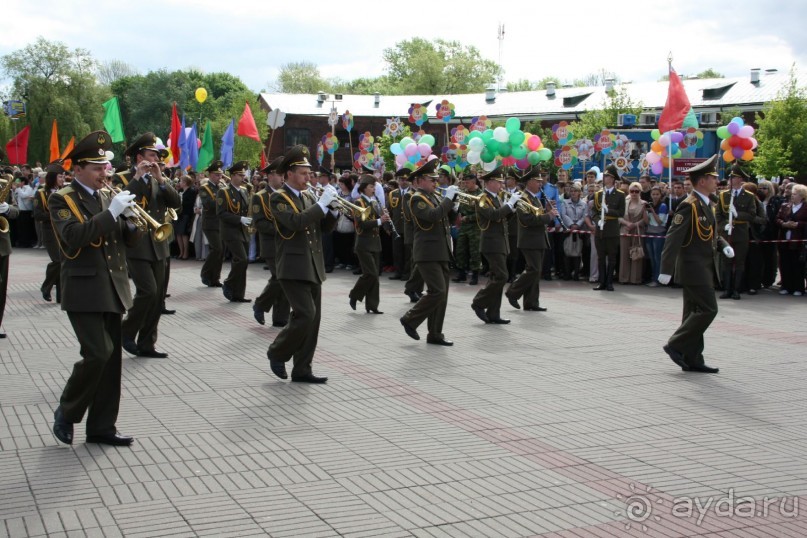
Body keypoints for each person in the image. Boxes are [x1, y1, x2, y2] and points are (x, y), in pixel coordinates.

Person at [49, 130, 143, 445]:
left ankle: (102, 427)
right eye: (96, 168)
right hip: (84, 289)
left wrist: (130, 222)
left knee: (112, 360)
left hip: (113, 287)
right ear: (77, 170)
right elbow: (74, 237)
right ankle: (67, 410)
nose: (105, 173)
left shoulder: (107, 197)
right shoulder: (62, 198)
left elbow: (124, 241)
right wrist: (112, 213)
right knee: (98, 353)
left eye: (105, 167)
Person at [266, 145, 337, 383]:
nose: (309, 178)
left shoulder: (308, 196)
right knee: (305, 315)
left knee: (313, 321)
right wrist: (321, 205)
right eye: (304, 173)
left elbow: (322, 228)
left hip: (313, 265)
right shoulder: (278, 198)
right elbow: (295, 223)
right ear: (289, 174)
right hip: (293, 266)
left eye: (310, 173)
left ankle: (302, 368)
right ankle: (277, 351)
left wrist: (332, 211)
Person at [659, 155, 733, 374]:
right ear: (702, 181)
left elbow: (711, 233)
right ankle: (675, 344)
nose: (716, 181)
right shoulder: (689, 206)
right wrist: (665, 269)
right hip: (693, 267)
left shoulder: (706, 203)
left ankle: (693, 358)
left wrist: (723, 245)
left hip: (703, 266)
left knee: (694, 312)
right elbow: (673, 238)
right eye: (713, 177)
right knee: (709, 309)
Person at [114, 133, 180, 358]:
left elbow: (176, 202)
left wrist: (161, 180)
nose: (156, 160)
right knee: (148, 291)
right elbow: (122, 203)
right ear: (139, 156)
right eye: (152, 155)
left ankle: (146, 343)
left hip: (159, 243)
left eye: (158, 157)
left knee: (158, 295)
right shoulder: (122, 178)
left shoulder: (158, 179)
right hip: (137, 244)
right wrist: (138, 177)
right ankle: (125, 331)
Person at [399, 159, 458, 345]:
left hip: (441, 250)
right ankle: (410, 318)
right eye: (432, 179)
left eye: (436, 179)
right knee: (437, 291)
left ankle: (435, 334)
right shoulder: (417, 198)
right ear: (420, 180)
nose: (436, 182)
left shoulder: (435, 197)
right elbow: (432, 217)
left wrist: (454, 206)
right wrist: (448, 199)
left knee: (443, 295)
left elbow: (445, 218)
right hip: (427, 252)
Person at [471, 167, 521, 324]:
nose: (502, 185)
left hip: (500, 242)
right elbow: (493, 215)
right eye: (499, 182)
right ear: (490, 182)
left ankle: (494, 313)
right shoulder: (482, 199)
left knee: (496, 277)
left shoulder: (497, 197)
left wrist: (513, 208)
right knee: (501, 276)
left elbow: (503, 218)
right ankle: (479, 302)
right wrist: (509, 205)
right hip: (491, 243)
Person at [505, 166, 556, 312]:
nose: (540, 184)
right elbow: (527, 219)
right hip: (530, 239)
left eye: (541, 181)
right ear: (529, 182)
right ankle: (512, 292)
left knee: (536, 271)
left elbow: (537, 216)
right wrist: (548, 216)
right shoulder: (523, 197)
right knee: (533, 269)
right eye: (537, 181)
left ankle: (531, 302)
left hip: (538, 238)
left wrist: (547, 210)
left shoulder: (534, 197)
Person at [715, 165, 766, 299]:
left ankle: (737, 289)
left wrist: (737, 215)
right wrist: (724, 226)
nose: (731, 180)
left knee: (739, 262)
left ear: (740, 179)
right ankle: (727, 289)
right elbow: (719, 215)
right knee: (726, 262)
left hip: (741, 233)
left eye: (734, 177)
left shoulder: (748, 196)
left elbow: (752, 215)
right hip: (727, 233)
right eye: (730, 177)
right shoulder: (723, 195)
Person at [252, 157, 290, 327]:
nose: (281, 178)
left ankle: (280, 318)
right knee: (280, 277)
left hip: (287, 244)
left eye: (283, 174)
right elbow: (260, 223)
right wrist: (282, 230)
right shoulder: (259, 197)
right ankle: (260, 304)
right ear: (269, 175)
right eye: (278, 174)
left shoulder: (286, 195)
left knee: (285, 280)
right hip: (271, 244)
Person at [348, 175, 390, 313]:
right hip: (364, 243)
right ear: (364, 188)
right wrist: (379, 221)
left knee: (375, 276)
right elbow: (361, 224)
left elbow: (379, 219)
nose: (374, 189)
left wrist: (385, 219)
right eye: (371, 187)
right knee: (370, 274)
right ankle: (354, 295)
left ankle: (372, 306)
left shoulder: (374, 202)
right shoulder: (359, 203)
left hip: (375, 242)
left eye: (374, 187)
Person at [217, 161, 253, 303]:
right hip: (230, 231)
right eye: (240, 175)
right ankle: (229, 283)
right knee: (241, 259)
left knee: (243, 262)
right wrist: (239, 219)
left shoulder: (244, 190)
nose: (243, 177)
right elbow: (221, 213)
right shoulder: (224, 192)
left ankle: (238, 294)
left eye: (243, 174)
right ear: (232, 176)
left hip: (243, 231)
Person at [33, 161, 65, 302]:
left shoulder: (64, 192)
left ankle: (60, 295)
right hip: (49, 231)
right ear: (52, 178)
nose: (63, 179)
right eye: (60, 177)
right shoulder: (41, 193)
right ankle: (46, 286)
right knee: (57, 261)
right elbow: (38, 214)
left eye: (63, 177)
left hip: (63, 231)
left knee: (63, 262)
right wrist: (54, 215)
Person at [591, 165, 626, 291]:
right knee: (600, 257)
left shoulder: (620, 195)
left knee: (612, 257)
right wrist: (597, 221)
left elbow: (621, 213)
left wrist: (609, 211)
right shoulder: (598, 194)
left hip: (612, 230)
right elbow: (594, 211)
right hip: (600, 230)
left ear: (613, 179)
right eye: (605, 176)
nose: (605, 178)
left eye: (608, 176)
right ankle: (602, 282)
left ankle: (610, 282)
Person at [775, 184, 807, 296]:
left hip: (798, 241)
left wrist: (798, 224)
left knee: (797, 265)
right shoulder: (785, 206)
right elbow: (777, 219)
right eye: (792, 194)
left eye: (795, 194)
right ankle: (786, 286)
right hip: (784, 240)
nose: (792, 196)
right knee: (784, 264)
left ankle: (798, 288)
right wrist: (784, 224)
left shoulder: (805, 207)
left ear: (802, 196)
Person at [452, 171, 483, 284]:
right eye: (464, 182)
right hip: (463, 226)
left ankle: (475, 275)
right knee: (460, 249)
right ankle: (461, 273)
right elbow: (459, 207)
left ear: (474, 182)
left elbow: (482, 214)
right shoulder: (463, 193)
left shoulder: (480, 194)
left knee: (474, 251)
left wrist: (468, 218)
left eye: (467, 182)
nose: (465, 184)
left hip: (475, 226)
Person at [199, 161, 225, 287]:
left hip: (221, 224)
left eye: (220, 175)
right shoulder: (205, 188)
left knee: (221, 251)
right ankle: (205, 273)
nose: (219, 177)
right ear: (210, 175)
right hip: (210, 223)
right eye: (216, 175)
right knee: (217, 248)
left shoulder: (222, 188)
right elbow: (208, 204)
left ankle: (215, 278)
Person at [0, 174, 20, 337]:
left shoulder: (3, 185)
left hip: (2, 246)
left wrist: (7, 208)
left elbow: (16, 211)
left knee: (1, 289)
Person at [618, 181, 648, 285]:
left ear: (640, 192)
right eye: (632, 191)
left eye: (637, 191)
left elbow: (646, 220)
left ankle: (635, 279)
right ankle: (623, 278)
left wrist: (635, 224)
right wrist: (626, 223)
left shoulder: (644, 204)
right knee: (624, 255)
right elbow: (618, 216)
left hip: (637, 231)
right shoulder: (624, 202)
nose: (634, 193)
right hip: (625, 230)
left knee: (636, 254)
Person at [560, 182, 587, 280]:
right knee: (567, 251)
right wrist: (571, 224)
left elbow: (584, 216)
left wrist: (578, 225)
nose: (573, 193)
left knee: (578, 252)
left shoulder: (584, 204)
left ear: (579, 192)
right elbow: (564, 215)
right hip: (568, 230)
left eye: (575, 191)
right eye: (571, 191)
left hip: (579, 231)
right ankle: (567, 273)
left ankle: (576, 274)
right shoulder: (565, 202)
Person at [644, 186, 668, 286]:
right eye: (653, 194)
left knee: (657, 257)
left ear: (660, 195)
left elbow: (659, 221)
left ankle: (657, 279)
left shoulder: (663, 206)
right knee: (651, 257)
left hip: (659, 233)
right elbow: (646, 221)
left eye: (657, 194)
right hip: (649, 232)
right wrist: (644, 210)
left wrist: (652, 211)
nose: (655, 196)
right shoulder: (649, 205)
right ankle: (653, 278)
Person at [174, 175, 196, 260]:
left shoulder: (191, 191)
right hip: (179, 214)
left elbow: (190, 203)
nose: (180, 183)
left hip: (186, 214)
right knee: (178, 233)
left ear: (186, 182)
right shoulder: (180, 191)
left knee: (184, 234)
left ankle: (186, 253)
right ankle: (181, 252)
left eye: (181, 181)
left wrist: (181, 202)